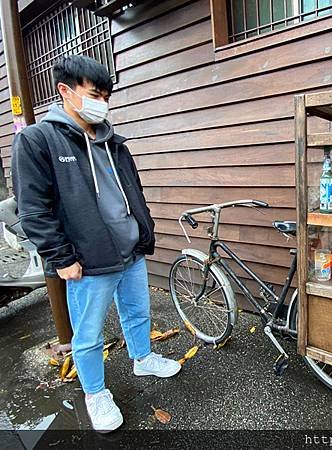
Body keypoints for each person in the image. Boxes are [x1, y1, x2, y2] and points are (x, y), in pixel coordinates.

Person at [11, 55, 181, 432]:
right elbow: (33, 208)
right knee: (87, 333)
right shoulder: (38, 140)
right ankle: (95, 392)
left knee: (137, 313)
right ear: (65, 91)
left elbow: (131, 192)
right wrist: (60, 257)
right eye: (94, 94)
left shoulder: (113, 141)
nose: (101, 102)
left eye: (106, 95)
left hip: (131, 252)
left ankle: (142, 356)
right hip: (86, 261)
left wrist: (144, 230)